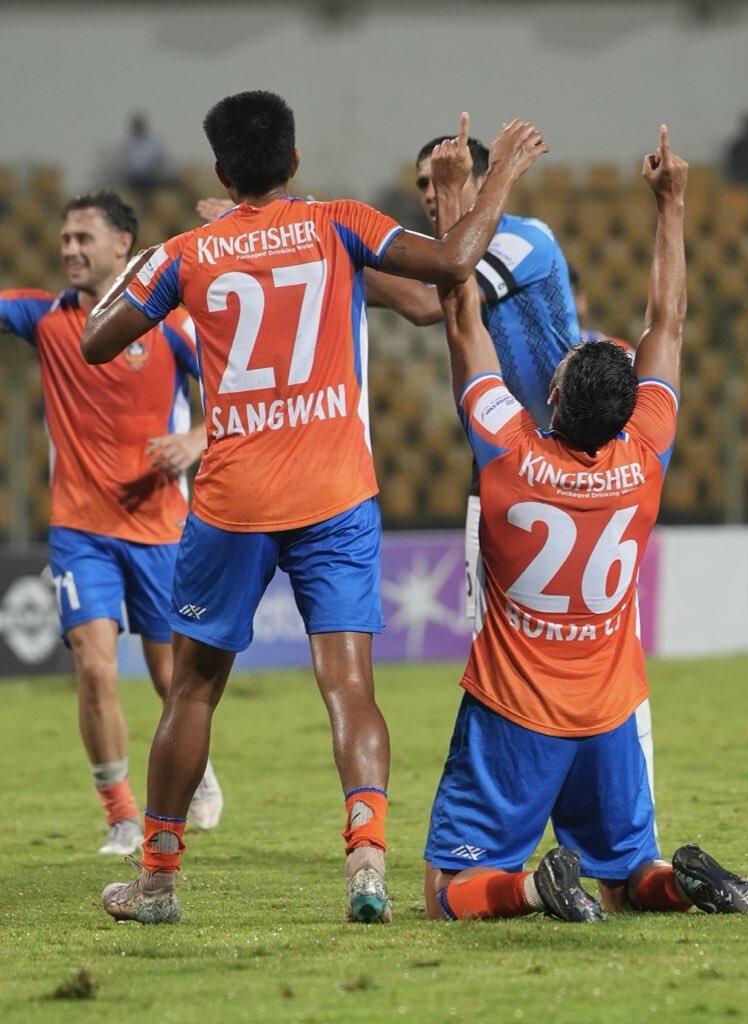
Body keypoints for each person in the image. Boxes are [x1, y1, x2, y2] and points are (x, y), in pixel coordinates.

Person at [81, 91, 547, 925]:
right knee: (349, 688)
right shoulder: (339, 223)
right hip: (335, 493)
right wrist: (499, 172)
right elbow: (449, 265)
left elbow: (96, 341)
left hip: (232, 499)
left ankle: (155, 883)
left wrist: (157, 261)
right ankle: (366, 860)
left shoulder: (188, 251)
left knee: (191, 692)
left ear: (222, 170)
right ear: (294, 161)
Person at [421, 124, 748, 924]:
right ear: (630, 412)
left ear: (553, 396)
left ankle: (528, 887)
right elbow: (669, 321)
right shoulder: (643, 458)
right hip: (610, 711)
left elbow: (457, 309)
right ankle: (679, 885)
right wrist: (672, 208)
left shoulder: (507, 456)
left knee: (446, 894)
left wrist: (461, 197)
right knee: (625, 880)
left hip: (517, 711)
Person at [198, 127, 579, 622]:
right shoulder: (441, 253)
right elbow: (389, 288)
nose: (429, 193)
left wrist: (320, 240)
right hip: (499, 449)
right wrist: (295, 248)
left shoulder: (523, 238)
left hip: (565, 444)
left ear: (482, 180)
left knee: (568, 619)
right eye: (422, 184)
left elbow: (425, 303)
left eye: (440, 179)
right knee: (488, 618)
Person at [0, 189, 224, 855]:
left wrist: (197, 439)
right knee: (96, 671)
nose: (70, 250)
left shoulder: (169, 324)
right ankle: (122, 813)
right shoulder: (44, 318)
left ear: (122, 245)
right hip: (79, 531)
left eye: (83, 239)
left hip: (159, 528)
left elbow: (234, 388)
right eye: (65, 240)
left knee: (169, 678)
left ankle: (198, 769)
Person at [119, 113, 177, 199]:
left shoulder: (154, 142)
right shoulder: (129, 144)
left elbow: (162, 160)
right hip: (136, 180)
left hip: (153, 176)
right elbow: (127, 165)